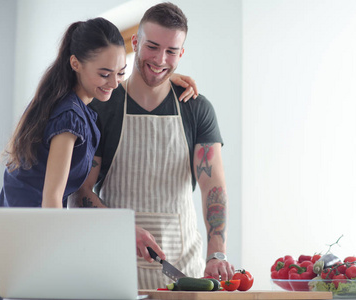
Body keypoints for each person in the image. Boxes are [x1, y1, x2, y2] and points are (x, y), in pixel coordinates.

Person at [68, 2, 235, 289]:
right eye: (152, 47)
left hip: (184, 273)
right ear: (135, 42)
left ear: (181, 53)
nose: (160, 59)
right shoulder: (103, 105)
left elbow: (213, 187)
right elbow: (80, 192)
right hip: (116, 274)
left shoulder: (196, 109)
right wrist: (123, 230)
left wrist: (216, 253)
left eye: (171, 51)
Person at [0, 17, 197, 208]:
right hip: (27, 228)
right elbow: (52, 198)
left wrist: (163, 77)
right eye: (104, 74)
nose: (113, 82)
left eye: (120, 72)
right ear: (75, 64)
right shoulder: (70, 118)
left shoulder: (71, 104)